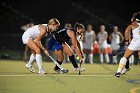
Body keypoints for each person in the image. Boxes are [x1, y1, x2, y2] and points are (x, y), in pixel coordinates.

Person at [115, 12, 140, 77]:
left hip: (136, 42)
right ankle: (126, 68)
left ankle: (118, 72)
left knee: (125, 57)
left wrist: (126, 41)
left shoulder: (133, 24)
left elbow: (126, 31)